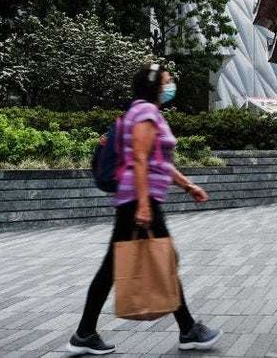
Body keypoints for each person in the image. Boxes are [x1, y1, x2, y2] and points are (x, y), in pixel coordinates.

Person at [69, 64, 221, 355]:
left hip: (138, 198)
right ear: (155, 86)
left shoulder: (142, 111)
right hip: (140, 199)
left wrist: (188, 186)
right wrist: (142, 205)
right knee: (162, 260)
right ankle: (188, 329)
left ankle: (85, 333)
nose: (170, 85)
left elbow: (158, 163)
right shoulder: (146, 112)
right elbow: (139, 159)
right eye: (167, 81)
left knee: (126, 264)